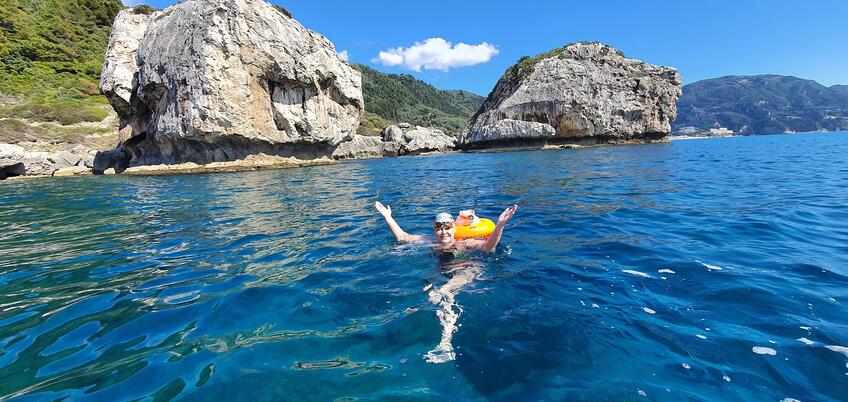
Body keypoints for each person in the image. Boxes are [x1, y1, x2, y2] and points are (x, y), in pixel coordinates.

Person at [373, 202, 518, 253]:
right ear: (434, 229)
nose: (443, 231)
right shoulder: (429, 240)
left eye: (447, 226)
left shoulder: (464, 243)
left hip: (464, 268)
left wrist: (500, 225)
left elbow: (488, 248)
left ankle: (448, 300)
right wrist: (388, 217)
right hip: (441, 268)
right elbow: (402, 236)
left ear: (454, 228)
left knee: (450, 286)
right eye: (438, 227)